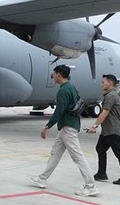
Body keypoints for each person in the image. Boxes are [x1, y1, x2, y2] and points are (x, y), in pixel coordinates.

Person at [31, 64, 99, 196]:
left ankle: (90, 186)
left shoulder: (63, 91)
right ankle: (42, 179)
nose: (53, 76)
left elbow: (59, 112)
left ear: (59, 75)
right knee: (55, 154)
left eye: (54, 74)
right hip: (67, 126)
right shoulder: (71, 87)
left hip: (68, 127)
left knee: (78, 157)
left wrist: (47, 127)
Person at [86, 74, 120, 184]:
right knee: (100, 148)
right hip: (107, 130)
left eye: (103, 82)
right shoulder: (111, 95)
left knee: (119, 153)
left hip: (112, 129)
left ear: (110, 83)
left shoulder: (111, 96)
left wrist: (94, 126)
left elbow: (105, 112)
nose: (102, 84)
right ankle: (101, 173)